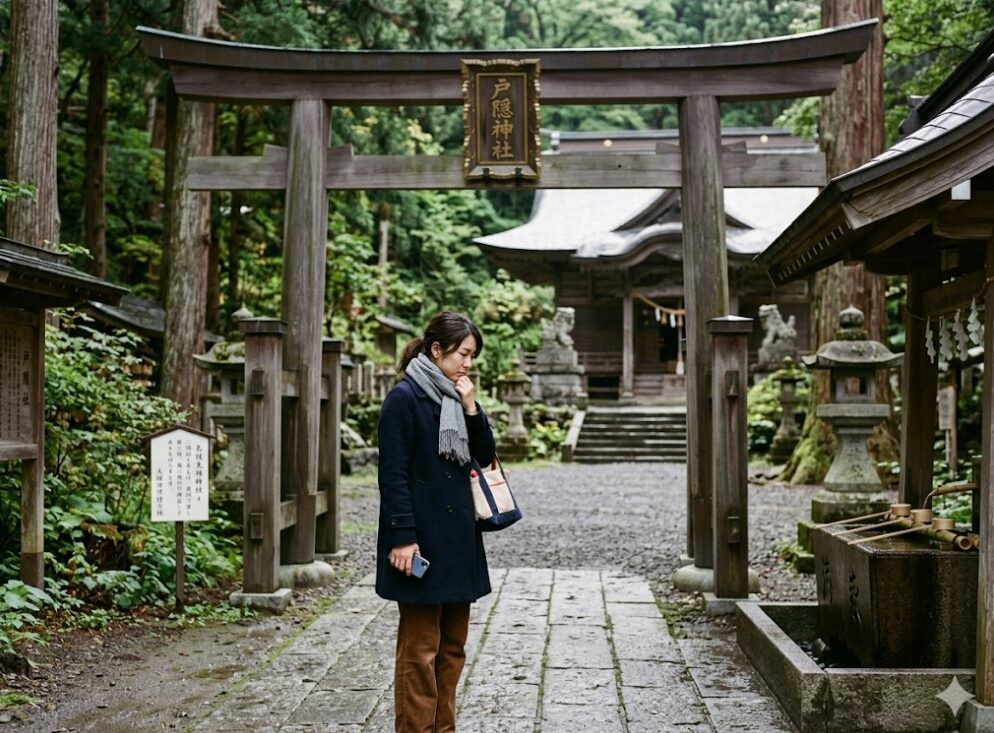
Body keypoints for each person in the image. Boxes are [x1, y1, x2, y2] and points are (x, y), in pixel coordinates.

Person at [376, 311, 496, 733]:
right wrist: (403, 538)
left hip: (459, 539)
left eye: (472, 356)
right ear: (437, 350)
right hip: (421, 541)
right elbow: (392, 475)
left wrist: (471, 406)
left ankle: (443, 728)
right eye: (463, 354)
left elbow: (484, 455)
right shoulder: (404, 398)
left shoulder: (456, 397)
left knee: (452, 649)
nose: (467, 364)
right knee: (420, 649)